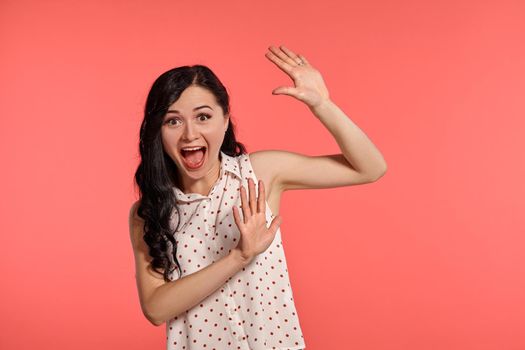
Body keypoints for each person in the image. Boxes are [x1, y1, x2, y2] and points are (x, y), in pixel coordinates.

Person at [129, 45, 387, 350]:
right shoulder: (150, 211)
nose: (189, 134)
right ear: (158, 131)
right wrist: (238, 257)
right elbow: (156, 308)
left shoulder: (260, 172)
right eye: (173, 121)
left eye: (203, 117)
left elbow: (370, 168)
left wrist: (323, 105)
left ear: (224, 121)